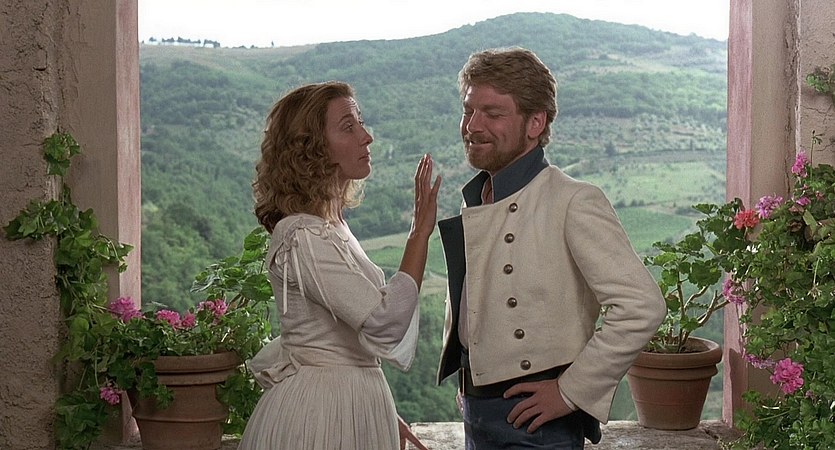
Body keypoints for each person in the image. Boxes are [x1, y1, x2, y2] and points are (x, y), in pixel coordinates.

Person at [436, 47, 667, 449]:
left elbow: (642, 306)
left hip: (538, 424)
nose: (472, 126)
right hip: (477, 411)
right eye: (468, 110)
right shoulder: (480, 196)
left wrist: (569, 392)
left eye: (492, 113)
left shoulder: (573, 200)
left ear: (535, 122)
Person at [239, 81, 439, 450]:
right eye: (348, 127)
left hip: (344, 407)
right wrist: (418, 234)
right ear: (311, 149)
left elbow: (330, 341)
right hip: (318, 418)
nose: (366, 136)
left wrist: (377, 410)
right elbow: (383, 321)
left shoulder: (331, 227)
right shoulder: (302, 235)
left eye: (360, 122)